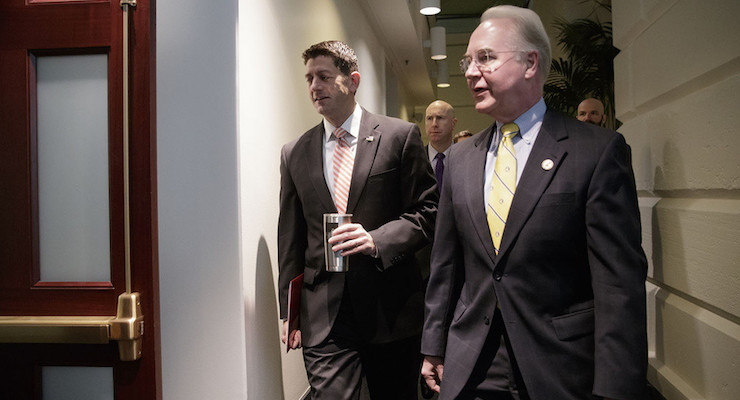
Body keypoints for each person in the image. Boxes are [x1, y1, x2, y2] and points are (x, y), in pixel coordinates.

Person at [421, 6, 648, 400]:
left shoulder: (595, 152)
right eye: (467, 60)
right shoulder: (460, 160)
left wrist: (616, 388)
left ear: (530, 63)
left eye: (485, 58)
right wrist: (433, 344)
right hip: (471, 366)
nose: (471, 71)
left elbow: (617, 285)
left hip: (558, 369)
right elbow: (446, 264)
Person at [278, 40, 438, 400]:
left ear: (352, 80)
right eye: (308, 78)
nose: (314, 87)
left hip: (390, 308)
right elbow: (291, 236)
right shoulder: (295, 153)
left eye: (323, 76)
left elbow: (429, 212)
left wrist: (377, 240)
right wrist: (289, 311)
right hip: (324, 313)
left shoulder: (399, 136)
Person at [425, 100, 458, 191]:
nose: (434, 124)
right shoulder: (415, 159)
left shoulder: (466, 158)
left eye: (440, 118)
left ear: (453, 123)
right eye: (429, 118)